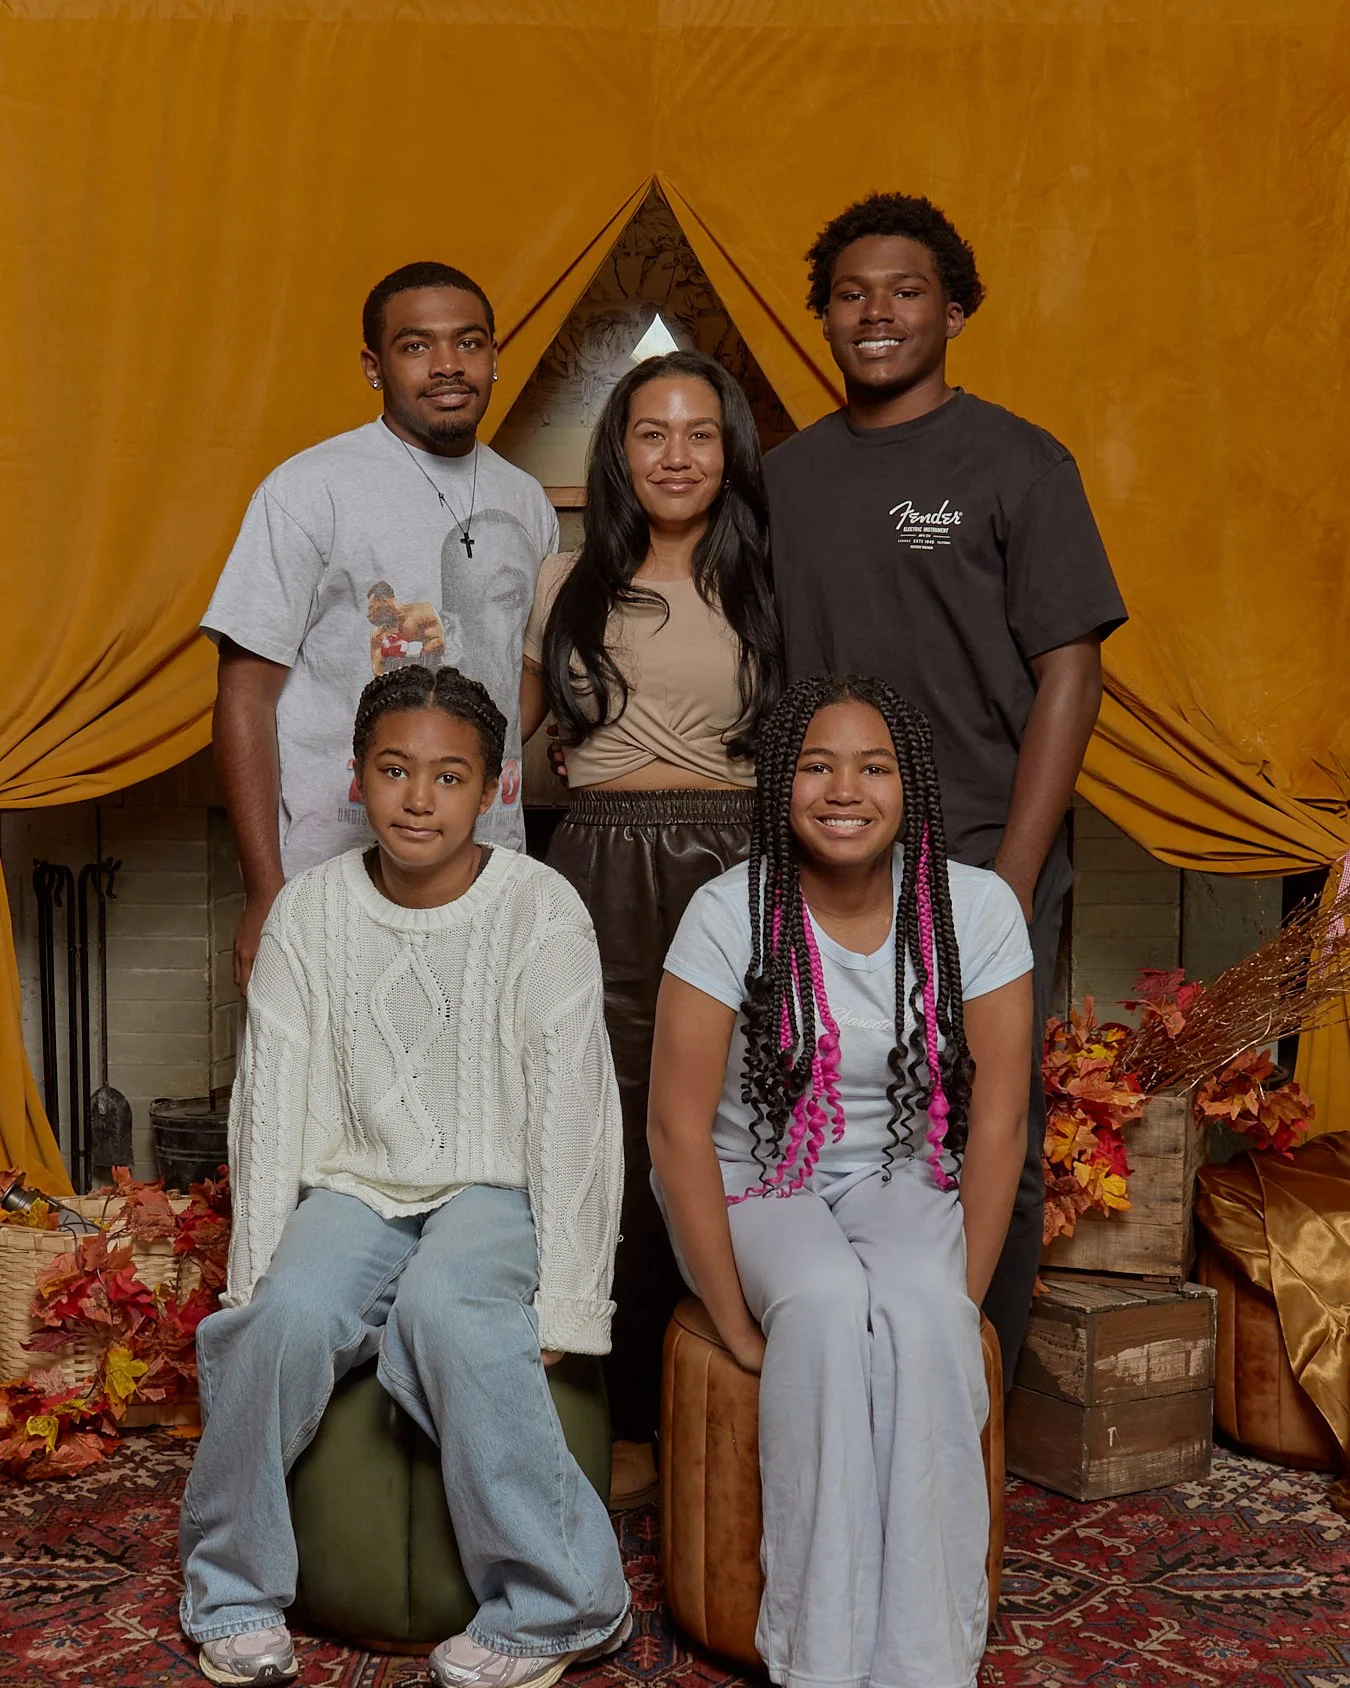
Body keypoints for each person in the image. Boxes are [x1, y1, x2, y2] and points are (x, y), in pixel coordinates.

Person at [178, 665, 629, 1688]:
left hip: (496, 1186)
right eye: (394, 770)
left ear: (493, 788)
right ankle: (233, 1591)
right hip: (357, 1185)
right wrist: (253, 1279)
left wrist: (569, 1298)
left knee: (451, 1310)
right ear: (357, 777)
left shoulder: (542, 910)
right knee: (282, 1320)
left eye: (449, 776)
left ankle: (564, 1603)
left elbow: (577, 1115)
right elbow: (268, 1105)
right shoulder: (308, 912)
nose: (419, 799)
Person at [761, 193, 1127, 1375]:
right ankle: (848, 1372)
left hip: (978, 844)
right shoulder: (784, 477)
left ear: (955, 311)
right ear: (824, 316)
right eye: (851, 293)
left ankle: (975, 1395)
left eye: (906, 291)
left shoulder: (1020, 462)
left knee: (982, 1129)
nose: (877, 312)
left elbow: (1071, 671)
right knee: (828, 1118)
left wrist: (1008, 875)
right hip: (824, 855)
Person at [649, 674, 1033, 1688]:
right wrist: (736, 1326)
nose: (845, 790)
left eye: (874, 767)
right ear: (782, 780)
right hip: (759, 1178)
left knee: (920, 1313)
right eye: (817, 765)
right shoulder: (728, 911)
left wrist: (960, 1297)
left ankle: (924, 1655)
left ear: (912, 786)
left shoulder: (977, 909)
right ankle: (817, 1654)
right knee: (821, 1304)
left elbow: (1000, 1122)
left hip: (900, 1170)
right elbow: (676, 1129)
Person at [519, 349, 781, 1505]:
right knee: (611, 1140)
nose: (676, 455)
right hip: (598, 866)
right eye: (651, 433)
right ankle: (624, 1415)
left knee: (739, 1127)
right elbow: (495, 746)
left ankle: (738, 1387)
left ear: (730, 452)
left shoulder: (772, 580)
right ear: (618, 452)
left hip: (738, 863)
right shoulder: (560, 581)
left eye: (700, 433)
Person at [203, 260, 558, 991]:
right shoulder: (309, 489)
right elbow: (245, 697)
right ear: (374, 366)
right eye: (416, 345)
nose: (448, 364)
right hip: (329, 880)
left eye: (468, 342)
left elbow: (524, 669)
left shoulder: (527, 502)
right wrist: (264, 890)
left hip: (491, 874)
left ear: (494, 356)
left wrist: (466, 762)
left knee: (477, 1065)